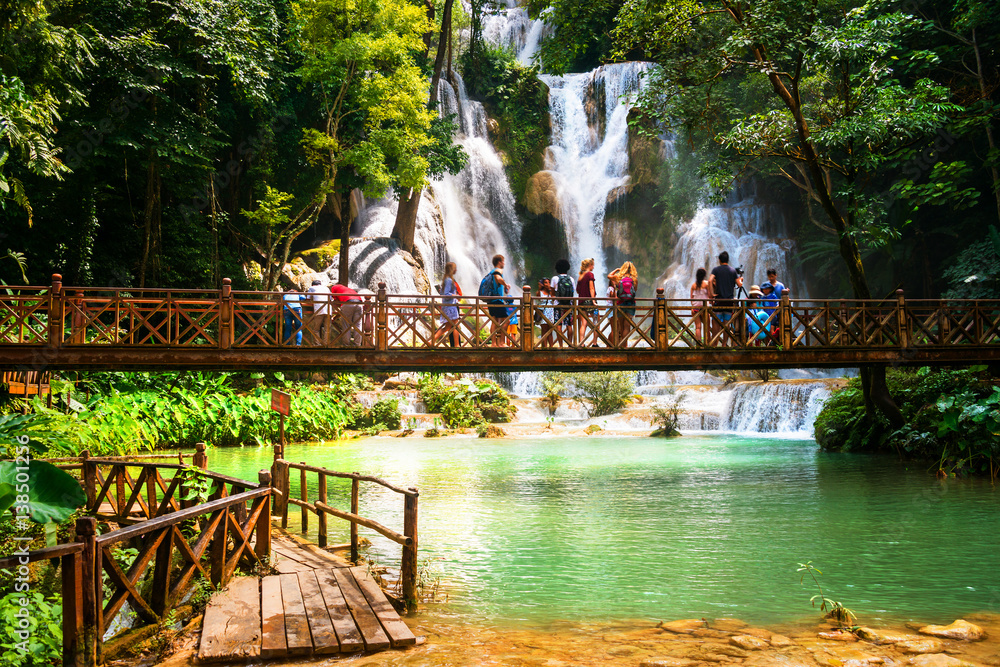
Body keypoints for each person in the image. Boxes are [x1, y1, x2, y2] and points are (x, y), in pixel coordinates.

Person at [708, 251, 743, 344]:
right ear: (728, 260)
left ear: (719, 260)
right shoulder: (733, 271)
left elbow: (710, 280)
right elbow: (739, 285)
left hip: (719, 300)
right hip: (729, 301)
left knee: (716, 322)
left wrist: (712, 294)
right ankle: (724, 344)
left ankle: (714, 344)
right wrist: (741, 280)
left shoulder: (716, 270)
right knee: (727, 323)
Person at [480, 254, 510, 347]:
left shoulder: (491, 271)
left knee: (495, 322)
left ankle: (494, 343)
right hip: (497, 300)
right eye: (503, 261)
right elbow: (498, 278)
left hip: (491, 299)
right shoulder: (498, 270)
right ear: (499, 262)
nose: (504, 263)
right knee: (506, 321)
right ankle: (501, 342)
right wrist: (505, 285)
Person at [610, 261, 638, 346]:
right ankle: (625, 345)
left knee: (621, 326)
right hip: (630, 304)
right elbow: (635, 291)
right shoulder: (634, 279)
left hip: (620, 303)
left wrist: (617, 270)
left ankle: (622, 345)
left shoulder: (618, 278)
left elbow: (609, 276)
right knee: (627, 326)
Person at [434, 262, 461, 347]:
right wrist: (456, 295)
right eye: (455, 268)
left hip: (447, 306)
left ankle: (431, 341)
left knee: (447, 327)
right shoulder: (449, 280)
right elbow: (446, 294)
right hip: (451, 307)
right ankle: (457, 345)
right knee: (456, 326)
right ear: (451, 269)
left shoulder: (446, 279)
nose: (456, 270)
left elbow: (442, 292)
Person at [550, 258, 575, 347]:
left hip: (558, 305)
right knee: (569, 325)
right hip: (568, 305)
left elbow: (552, 293)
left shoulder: (555, 278)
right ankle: (570, 344)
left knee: (558, 325)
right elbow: (573, 292)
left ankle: (560, 346)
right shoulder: (571, 279)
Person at [576, 258, 598, 347]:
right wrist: (593, 301)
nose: (594, 266)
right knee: (596, 322)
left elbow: (577, 290)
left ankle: (581, 343)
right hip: (590, 302)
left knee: (583, 324)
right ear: (590, 265)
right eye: (593, 264)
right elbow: (591, 288)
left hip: (581, 302)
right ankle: (594, 343)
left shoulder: (580, 276)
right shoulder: (590, 274)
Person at [306, 279, 332, 346]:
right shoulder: (326, 288)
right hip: (328, 309)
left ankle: (317, 344)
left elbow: (308, 298)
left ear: (313, 284)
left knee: (316, 329)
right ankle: (326, 344)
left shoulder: (312, 288)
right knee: (327, 329)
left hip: (319, 309)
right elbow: (331, 298)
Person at [689, 267, 710, 343]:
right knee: (707, 327)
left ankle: (699, 344)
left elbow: (691, 297)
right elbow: (710, 295)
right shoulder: (707, 284)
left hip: (695, 308)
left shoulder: (693, 285)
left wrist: (693, 306)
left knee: (698, 327)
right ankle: (707, 344)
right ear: (704, 275)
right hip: (704, 308)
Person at [536, 278, 556, 348]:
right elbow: (538, 299)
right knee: (544, 330)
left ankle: (551, 346)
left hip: (550, 311)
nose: (548, 284)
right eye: (545, 283)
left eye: (548, 282)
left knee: (550, 331)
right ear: (543, 284)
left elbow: (554, 299)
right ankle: (544, 347)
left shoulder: (551, 291)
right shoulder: (539, 292)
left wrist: (550, 291)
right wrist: (539, 288)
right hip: (543, 312)